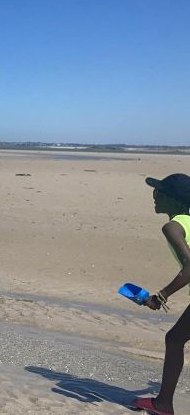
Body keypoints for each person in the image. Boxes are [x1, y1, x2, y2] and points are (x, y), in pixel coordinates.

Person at [133, 174, 190, 415]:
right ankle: (163, 402)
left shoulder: (173, 226)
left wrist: (161, 296)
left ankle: (164, 404)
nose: (154, 198)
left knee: (175, 340)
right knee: (175, 338)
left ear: (172, 200)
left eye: (157, 193)